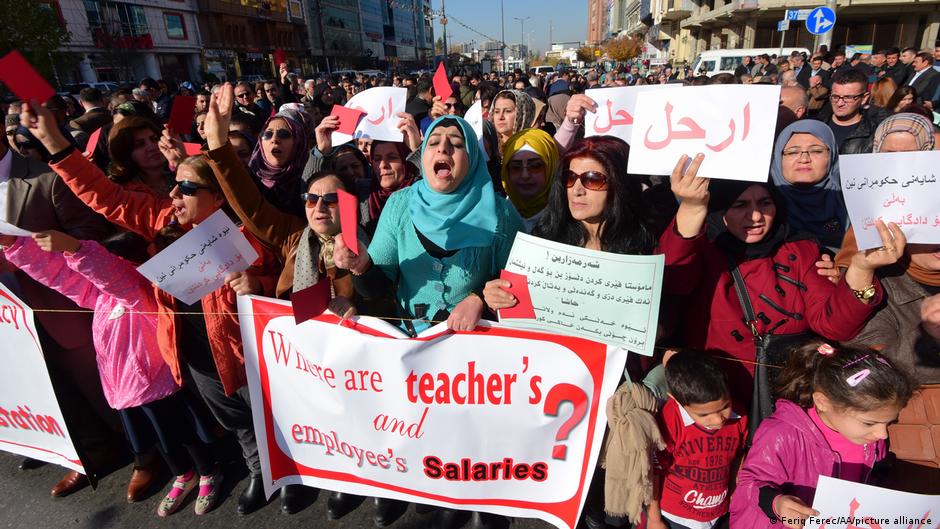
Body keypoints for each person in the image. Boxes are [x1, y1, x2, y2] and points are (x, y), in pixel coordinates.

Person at [19, 101, 283, 516]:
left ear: (219, 197)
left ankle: (295, 472)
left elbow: (281, 283)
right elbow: (105, 196)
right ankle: (259, 471)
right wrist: (54, 141)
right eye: (174, 185)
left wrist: (259, 284)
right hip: (197, 355)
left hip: (244, 350)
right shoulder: (163, 220)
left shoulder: (246, 233)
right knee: (234, 419)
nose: (174, 193)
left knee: (273, 413)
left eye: (188, 188)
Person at [334, 116, 523, 529]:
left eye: (456, 143)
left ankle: (485, 502)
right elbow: (378, 285)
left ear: (471, 158)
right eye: (435, 141)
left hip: (478, 366)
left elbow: (518, 289)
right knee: (430, 462)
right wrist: (361, 266)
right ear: (423, 156)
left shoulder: (501, 212)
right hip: (416, 355)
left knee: (476, 451)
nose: (443, 149)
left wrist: (479, 299)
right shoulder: (401, 205)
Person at [2, 230, 221, 517]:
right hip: (125, 389)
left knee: (181, 431)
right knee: (158, 438)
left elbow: (109, 273)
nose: (92, 276)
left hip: (154, 382)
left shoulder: (134, 290)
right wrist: (13, 244)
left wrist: (76, 249)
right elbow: (59, 277)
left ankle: (207, 471)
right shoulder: (100, 298)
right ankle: (183, 474)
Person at [660, 152, 904, 408]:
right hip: (719, 395)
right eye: (740, 205)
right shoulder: (704, 249)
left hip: (787, 391)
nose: (755, 216)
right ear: (720, 208)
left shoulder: (800, 249)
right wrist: (691, 207)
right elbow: (675, 276)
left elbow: (834, 327)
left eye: (765, 203)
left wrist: (861, 268)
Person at [8, 104, 124, 499]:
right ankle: (81, 452)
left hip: (64, 305)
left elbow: (94, 238)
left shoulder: (44, 178)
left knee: (96, 387)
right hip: (11, 320)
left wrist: (37, 256)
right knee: (45, 388)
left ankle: (140, 448)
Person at [729, 343, 915, 529]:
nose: (882, 434)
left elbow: (877, 476)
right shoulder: (781, 433)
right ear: (823, 402)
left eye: (890, 422)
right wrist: (776, 503)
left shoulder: (870, 438)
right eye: (869, 423)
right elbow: (749, 484)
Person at [646, 351, 746, 529]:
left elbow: (739, 456)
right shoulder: (670, 420)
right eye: (704, 414)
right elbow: (653, 470)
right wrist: (654, 519)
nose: (717, 419)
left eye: (724, 406)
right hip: (676, 517)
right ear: (676, 399)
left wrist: (734, 490)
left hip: (719, 513)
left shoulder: (740, 415)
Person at [769, 120, 848, 251]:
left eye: (816, 151)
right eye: (793, 152)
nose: (804, 159)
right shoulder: (760, 203)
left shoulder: (852, 198)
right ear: (779, 157)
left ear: (832, 155)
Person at [246, 109, 311, 217]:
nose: (274, 139)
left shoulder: (312, 179)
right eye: (267, 134)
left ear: (299, 141)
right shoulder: (248, 180)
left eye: (284, 134)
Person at [499, 128, 559, 231]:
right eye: (516, 168)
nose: (525, 175)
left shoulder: (570, 217)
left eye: (535, 166)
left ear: (551, 167)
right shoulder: (494, 217)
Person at [817, 69, 886, 154]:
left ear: (864, 98)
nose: (840, 103)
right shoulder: (816, 127)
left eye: (848, 97)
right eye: (835, 97)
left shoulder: (876, 133)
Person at [490, 89, 536, 154]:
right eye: (497, 111)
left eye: (508, 111)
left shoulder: (532, 148)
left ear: (522, 114)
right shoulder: (487, 145)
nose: (500, 117)